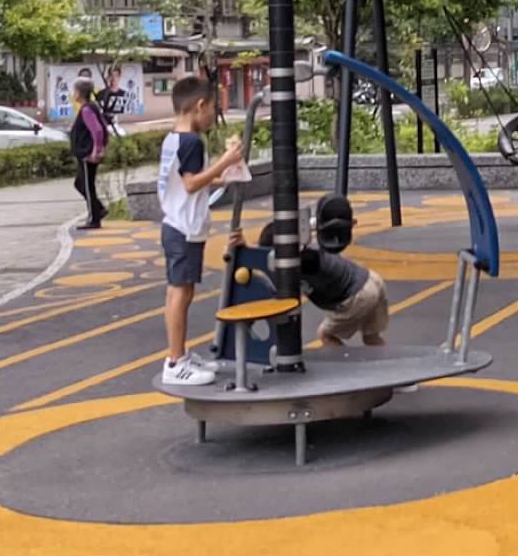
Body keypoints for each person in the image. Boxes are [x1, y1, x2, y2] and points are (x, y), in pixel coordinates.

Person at [156, 76, 243, 388]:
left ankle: (180, 356)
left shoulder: (173, 139)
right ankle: (176, 361)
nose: (214, 117)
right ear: (200, 106)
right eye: (213, 110)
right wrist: (225, 162)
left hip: (176, 225)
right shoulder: (192, 142)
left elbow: (188, 181)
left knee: (180, 291)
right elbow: (192, 183)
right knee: (180, 293)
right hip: (183, 227)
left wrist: (223, 175)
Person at [260, 196, 389, 346]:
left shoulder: (303, 260)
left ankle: (344, 365)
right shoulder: (308, 249)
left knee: (325, 334)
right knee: (371, 338)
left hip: (358, 296)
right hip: (372, 280)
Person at [69, 79, 112, 229]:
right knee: (80, 183)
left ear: (79, 93)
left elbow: (98, 130)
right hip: (85, 154)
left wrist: (96, 150)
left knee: (87, 185)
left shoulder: (87, 109)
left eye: (74, 91)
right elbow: (103, 127)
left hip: (87, 155)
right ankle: (98, 209)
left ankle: (94, 219)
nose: (72, 94)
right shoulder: (90, 108)